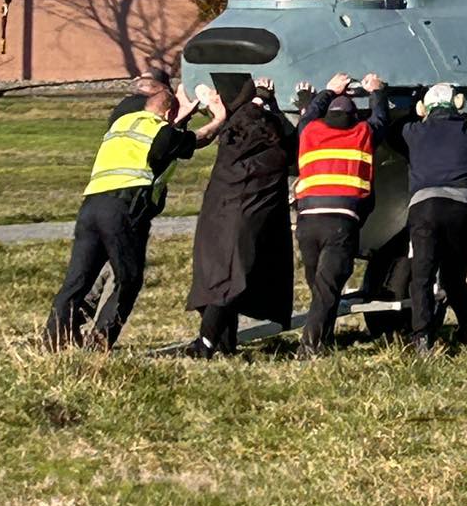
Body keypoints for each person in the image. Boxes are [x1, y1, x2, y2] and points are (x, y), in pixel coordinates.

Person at [44, 69, 224, 350]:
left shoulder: (119, 125)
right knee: (128, 279)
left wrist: (181, 114)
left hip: (90, 206)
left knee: (77, 281)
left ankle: (53, 341)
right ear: (167, 115)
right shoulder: (159, 132)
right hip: (122, 210)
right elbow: (197, 139)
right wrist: (219, 118)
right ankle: (99, 344)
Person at [183, 76, 298, 358]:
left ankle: (207, 343)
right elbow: (293, 140)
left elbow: (240, 124)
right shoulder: (275, 155)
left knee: (220, 281)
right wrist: (270, 105)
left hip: (219, 220)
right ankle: (222, 343)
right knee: (230, 280)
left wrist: (258, 98)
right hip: (245, 224)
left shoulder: (233, 149)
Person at [397, 83, 467, 353]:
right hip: (460, 209)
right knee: (454, 276)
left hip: (425, 210)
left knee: (421, 276)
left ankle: (423, 338)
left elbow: (394, 132)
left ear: (425, 109)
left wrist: (410, 108)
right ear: (458, 103)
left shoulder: (413, 132)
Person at [293, 70, 389, 356]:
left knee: (319, 285)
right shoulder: (361, 134)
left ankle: (324, 337)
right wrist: (377, 91)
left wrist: (329, 91)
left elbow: (309, 115)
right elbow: (381, 119)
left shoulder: (310, 132)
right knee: (327, 287)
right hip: (340, 221)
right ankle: (310, 345)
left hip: (307, 221)